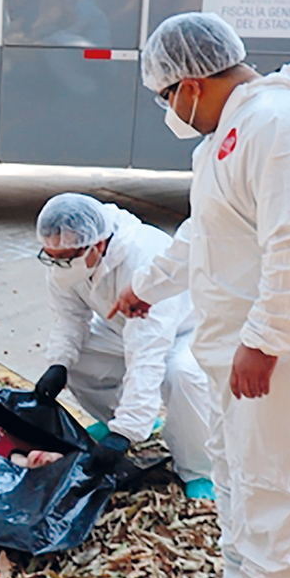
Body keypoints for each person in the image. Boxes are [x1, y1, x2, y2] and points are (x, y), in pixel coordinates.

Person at [111, 13, 290, 578]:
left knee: (285, 478)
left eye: (166, 95)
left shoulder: (280, 123)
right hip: (238, 340)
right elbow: (209, 230)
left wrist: (266, 339)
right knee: (237, 464)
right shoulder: (232, 134)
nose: (169, 109)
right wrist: (146, 284)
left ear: (193, 81)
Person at [33, 193, 215, 499]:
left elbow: (147, 353)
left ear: (98, 245)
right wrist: (59, 364)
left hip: (187, 329)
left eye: (65, 258)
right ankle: (115, 416)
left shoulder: (143, 258)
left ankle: (199, 469)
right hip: (123, 326)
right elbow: (69, 318)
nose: (58, 265)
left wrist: (126, 433)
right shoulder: (69, 255)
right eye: (52, 256)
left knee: (180, 375)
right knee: (79, 356)